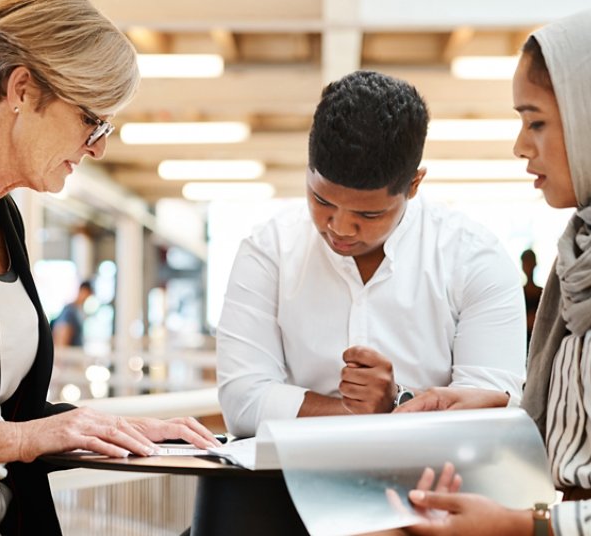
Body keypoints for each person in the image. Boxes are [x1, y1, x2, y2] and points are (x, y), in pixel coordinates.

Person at [0, 0, 220, 536]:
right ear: (22, 91)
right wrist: (23, 440)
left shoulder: (7, 220)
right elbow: (15, 433)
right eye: (91, 119)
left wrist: (113, 426)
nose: (98, 147)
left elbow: (14, 410)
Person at [216, 69, 527, 438]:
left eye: (368, 214)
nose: (340, 228)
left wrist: (394, 403)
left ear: (413, 185)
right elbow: (243, 403)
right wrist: (369, 415)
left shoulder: (476, 259)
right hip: (286, 488)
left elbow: (489, 411)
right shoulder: (268, 251)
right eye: (321, 200)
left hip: (431, 485)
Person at [390, 9, 591, 535]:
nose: (520, 145)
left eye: (537, 121)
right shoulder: (580, 256)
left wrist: (522, 526)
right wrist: (504, 408)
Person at [51, 279, 94, 347]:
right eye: (87, 294)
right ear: (82, 291)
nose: (87, 298)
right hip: (70, 355)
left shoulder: (79, 311)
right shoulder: (70, 311)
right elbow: (62, 337)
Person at [521, 248, 543, 352]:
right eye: (526, 262)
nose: (528, 266)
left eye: (530, 262)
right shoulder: (519, 293)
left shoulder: (542, 293)